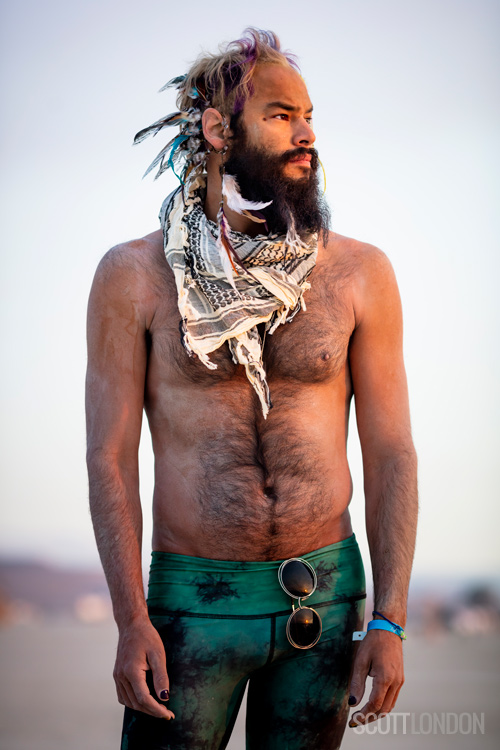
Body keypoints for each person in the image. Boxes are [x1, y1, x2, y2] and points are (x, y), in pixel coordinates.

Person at [86, 28, 418, 750]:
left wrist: (388, 618)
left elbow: (391, 451)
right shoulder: (135, 277)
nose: (307, 134)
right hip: (191, 611)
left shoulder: (360, 273)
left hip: (327, 608)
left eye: (310, 116)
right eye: (280, 115)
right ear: (216, 128)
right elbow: (110, 458)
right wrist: (129, 619)